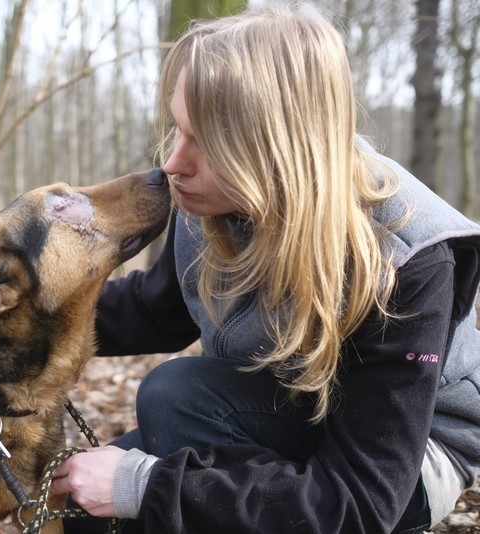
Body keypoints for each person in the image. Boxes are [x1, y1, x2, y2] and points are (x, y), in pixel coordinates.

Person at [49, 2, 480, 533]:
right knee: (82, 511)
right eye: (178, 129)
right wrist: (25, 317)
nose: (173, 164)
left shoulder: (404, 259)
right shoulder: (212, 197)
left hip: (407, 462)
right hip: (280, 412)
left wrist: (148, 484)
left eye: (204, 142)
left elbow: (361, 501)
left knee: (176, 400)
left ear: (276, 149)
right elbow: (156, 310)